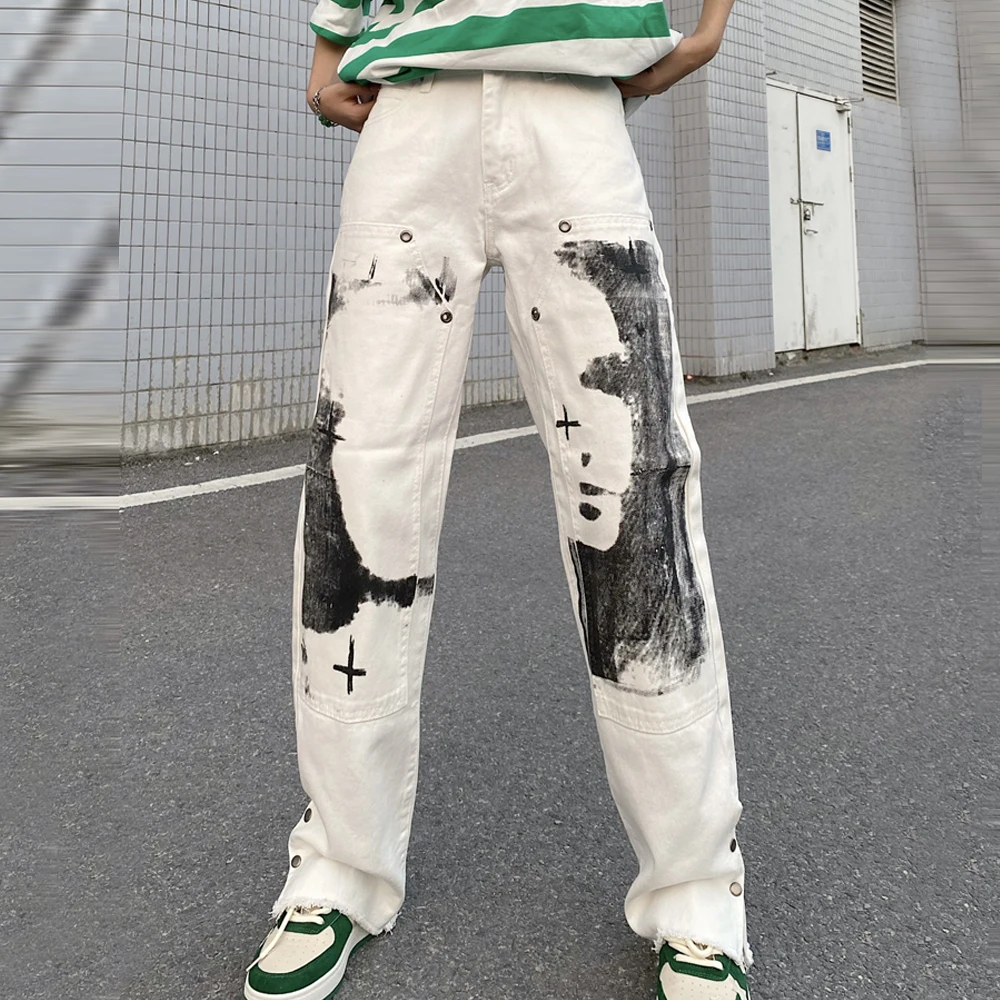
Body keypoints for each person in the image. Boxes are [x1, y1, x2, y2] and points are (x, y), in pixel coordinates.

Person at [244, 2, 751, 998]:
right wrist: (328, 47)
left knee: (634, 485)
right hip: (409, 121)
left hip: (575, 107)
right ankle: (340, 867)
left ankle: (696, 890)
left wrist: (707, 28)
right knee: (357, 482)